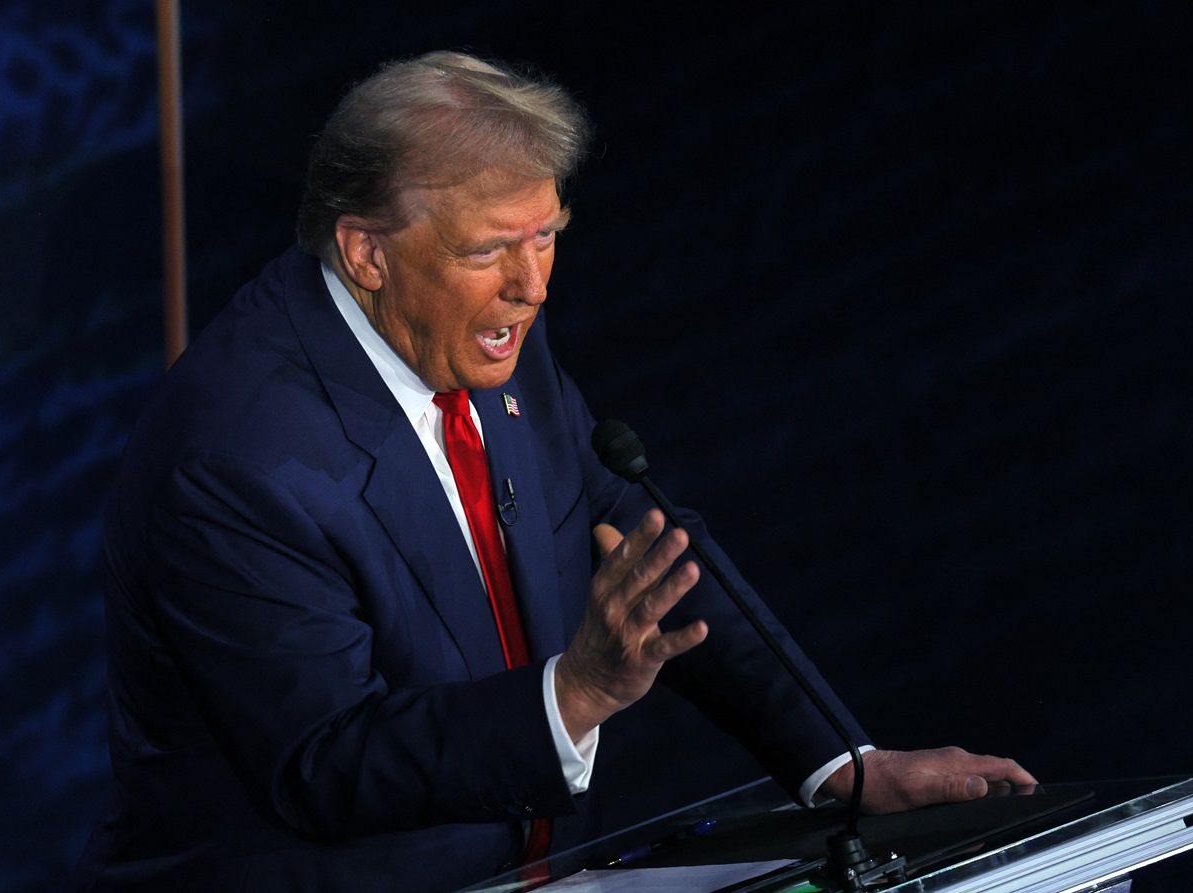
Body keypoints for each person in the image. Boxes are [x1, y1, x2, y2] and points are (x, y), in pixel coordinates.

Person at [73, 51, 1034, 892]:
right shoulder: (234, 458)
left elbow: (648, 551)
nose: (531, 287)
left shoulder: (486, 339)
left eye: (548, 236)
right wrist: (574, 693)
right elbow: (326, 761)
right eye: (490, 249)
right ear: (366, 250)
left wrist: (843, 763)